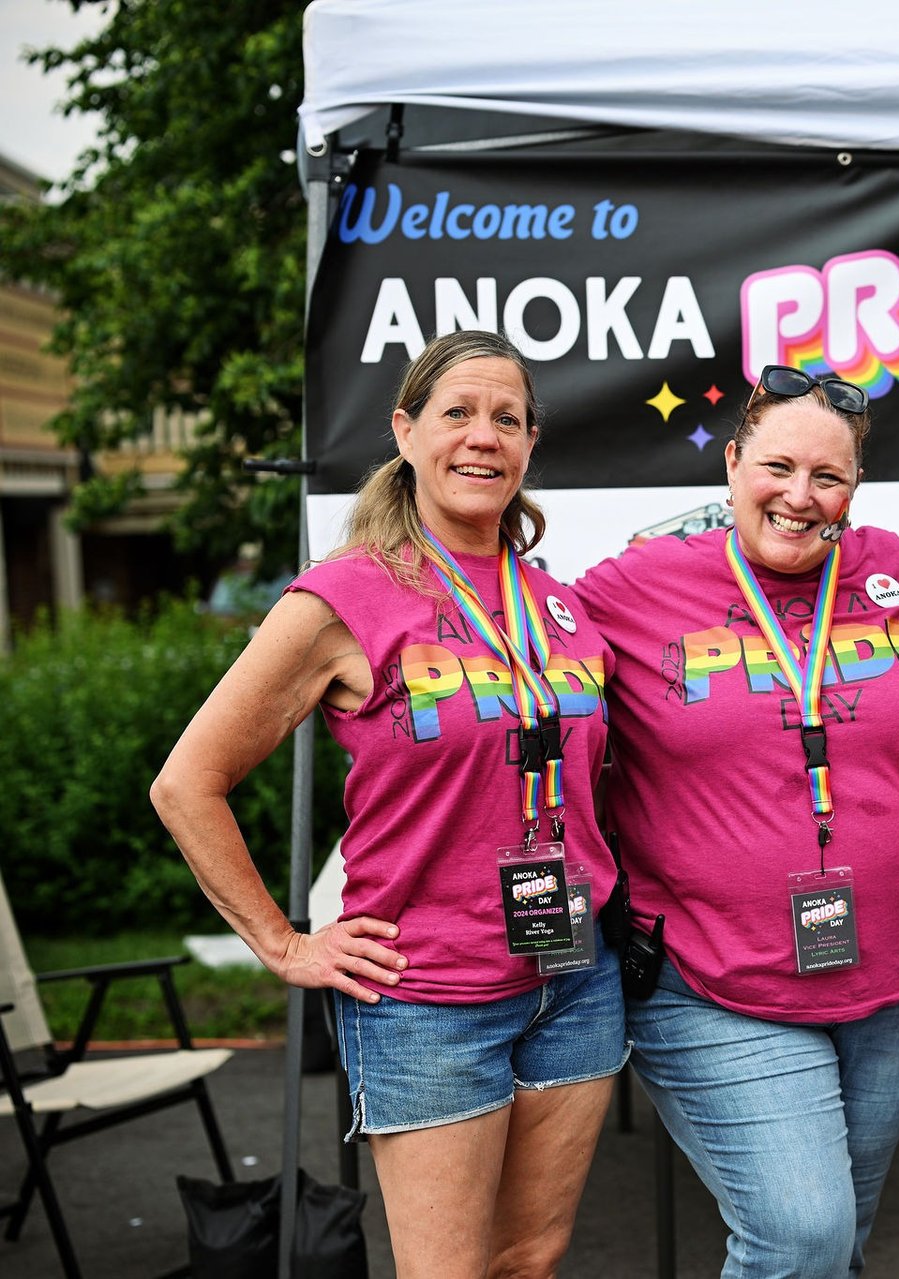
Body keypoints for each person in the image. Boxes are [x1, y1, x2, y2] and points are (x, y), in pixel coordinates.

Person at [151, 330, 626, 1278]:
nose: (483, 436)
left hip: (575, 980)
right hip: (426, 999)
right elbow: (185, 784)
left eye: (507, 418)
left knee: (531, 1258)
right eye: (458, 413)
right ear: (406, 432)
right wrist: (285, 943)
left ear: (530, 443)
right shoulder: (344, 597)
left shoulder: (557, 602)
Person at [574, 366, 899, 1278]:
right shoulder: (635, 584)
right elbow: (505, 662)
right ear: (734, 462)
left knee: (839, 1245)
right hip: (713, 979)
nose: (800, 496)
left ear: (856, 486)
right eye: (778, 467)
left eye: (829, 476)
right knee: (802, 1234)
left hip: (893, 983)